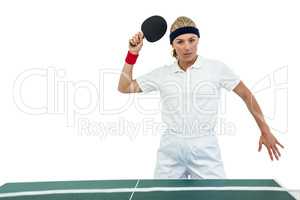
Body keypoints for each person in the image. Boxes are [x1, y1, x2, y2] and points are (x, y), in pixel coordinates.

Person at [118, 16, 284, 179]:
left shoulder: (215, 68)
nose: (187, 47)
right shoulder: (163, 74)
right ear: (173, 45)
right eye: (180, 42)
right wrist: (132, 53)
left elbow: (247, 95)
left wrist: (265, 130)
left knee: (215, 196)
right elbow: (124, 87)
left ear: (198, 40)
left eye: (192, 40)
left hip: (205, 147)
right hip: (171, 149)